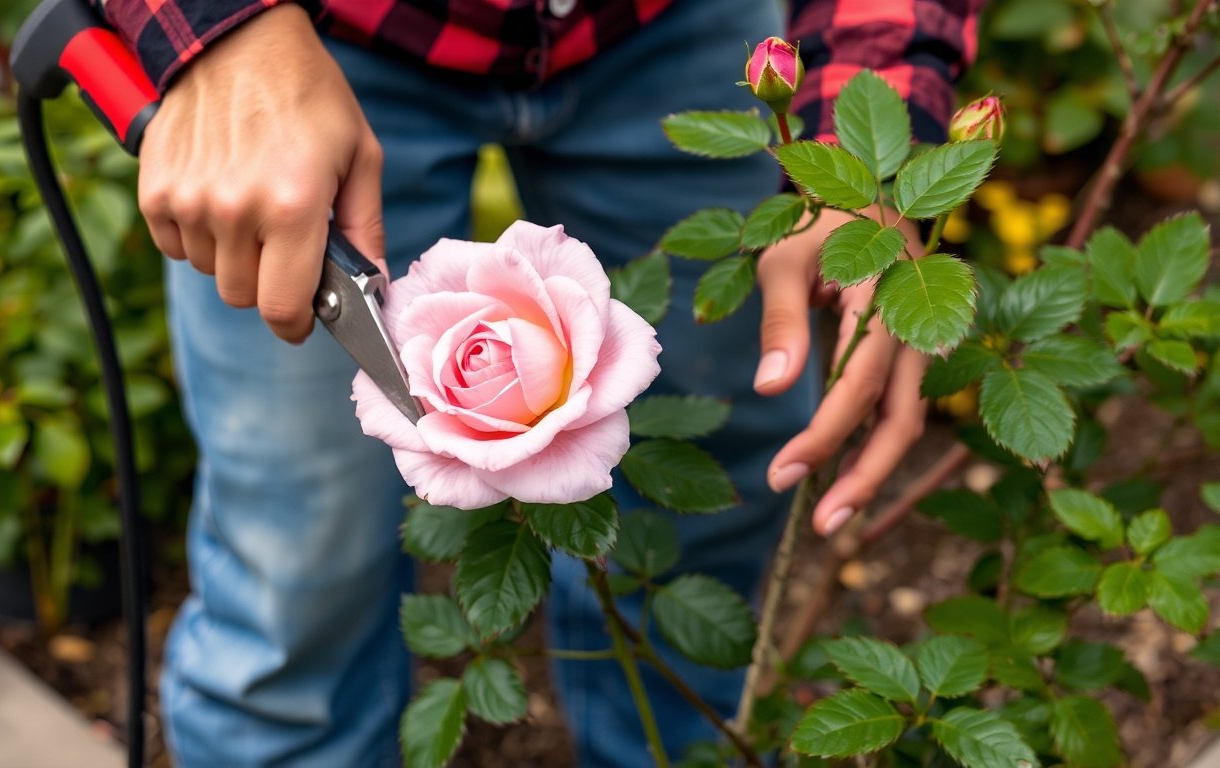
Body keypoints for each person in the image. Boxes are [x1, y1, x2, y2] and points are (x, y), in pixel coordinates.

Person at [94, 0, 983, 764]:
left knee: (725, 465)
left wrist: (872, 138)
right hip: (315, 40)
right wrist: (214, 28)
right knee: (297, 562)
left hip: (666, 23)